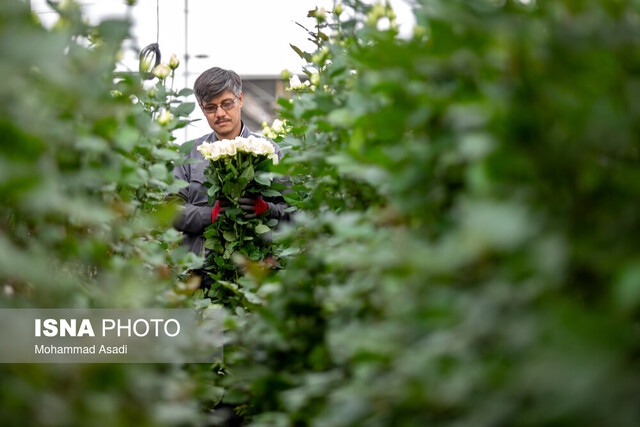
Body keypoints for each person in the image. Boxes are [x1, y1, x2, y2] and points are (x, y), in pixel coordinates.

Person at [172, 67, 289, 286]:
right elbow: (170, 211)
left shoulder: (270, 152)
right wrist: (210, 215)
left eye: (227, 103)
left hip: (258, 273)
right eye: (210, 107)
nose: (220, 113)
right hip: (201, 276)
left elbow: (294, 214)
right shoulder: (189, 154)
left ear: (240, 99)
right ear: (202, 108)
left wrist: (266, 210)